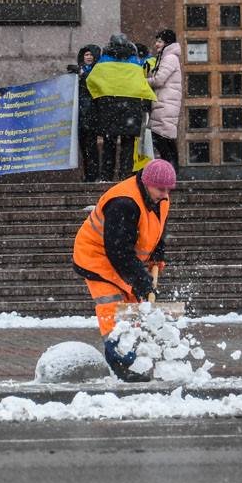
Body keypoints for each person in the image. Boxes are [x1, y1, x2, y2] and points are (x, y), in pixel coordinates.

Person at [72, 158, 176, 382]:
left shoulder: (160, 198)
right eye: (161, 189)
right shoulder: (124, 202)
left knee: (133, 310)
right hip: (96, 258)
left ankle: (139, 357)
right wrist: (142, 280)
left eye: (169, 189)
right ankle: (121, 362)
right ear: (147, 183)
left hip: (124, 259)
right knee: (114, 310)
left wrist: (158, 254)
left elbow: (158, 229)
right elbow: (118, 250)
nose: (165, 194)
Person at [86, 34, 155, 182]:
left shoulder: (103, 61)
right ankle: (125, 177)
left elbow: (90, 81)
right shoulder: (134, 62)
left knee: (109, 144)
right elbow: (141, 83)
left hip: (109, 106)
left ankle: (106, 177)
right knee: (128, 144)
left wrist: (101, 96)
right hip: (131, 107)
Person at [147, 29, 182, 170]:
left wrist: (142, 81)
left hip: (165, 102)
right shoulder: (167, 56)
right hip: (166, 102)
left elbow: (159, 80)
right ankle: (173, 170)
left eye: (160, 41)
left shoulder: (169, 58)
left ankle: (171, 169)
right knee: (166, 138)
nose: (156, 44)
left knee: (160, 137)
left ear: (167, 42)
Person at [71, 45, 101, 182]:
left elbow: (95, 84)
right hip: (80, 115)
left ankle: (93, 175)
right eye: (86, 55)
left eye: (90, 55)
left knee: (91, 146)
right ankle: (88, 174)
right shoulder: (79, 73)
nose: (88, 57)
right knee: (84, 147)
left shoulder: (97, 70)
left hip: (92, 115)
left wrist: (83, 74)